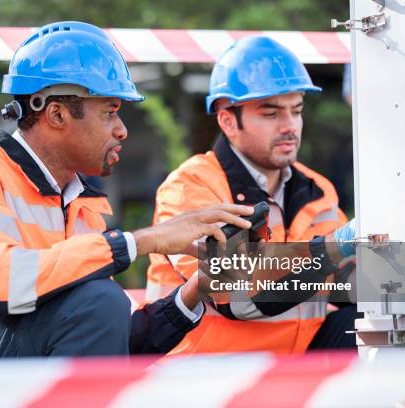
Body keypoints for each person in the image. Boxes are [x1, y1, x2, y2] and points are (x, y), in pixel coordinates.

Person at [0, 21, 255, 376]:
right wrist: (144, 241)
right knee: (100, 300)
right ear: (57, 114)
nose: (122, 130)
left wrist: (194, 292)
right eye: (110, 112)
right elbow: (2, 286)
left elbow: (99, 338)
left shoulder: (81, 205)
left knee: (104, 305)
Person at [146, 36, 359, 355]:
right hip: (206, 378)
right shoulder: (190, 187)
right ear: (228, 121)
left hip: (291, 369)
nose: (290, 126)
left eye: (296, 111)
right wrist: (335, 246)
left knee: (375, 322)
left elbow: (346, 285)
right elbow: (236, 296)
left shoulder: (318, 190)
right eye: (271, 114)